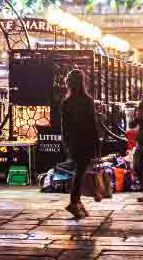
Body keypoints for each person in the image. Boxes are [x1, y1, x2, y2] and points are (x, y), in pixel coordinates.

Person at [61, 68, 99, 218]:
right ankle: (74, 202)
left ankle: (76, 201)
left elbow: (65, 126)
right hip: (86, 140)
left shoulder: (67, 102)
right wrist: (97, 143)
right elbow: (92, 123)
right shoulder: (87, 100)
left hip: (73, 141)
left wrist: (66, 143)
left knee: (79, 171)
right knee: (80, 172)